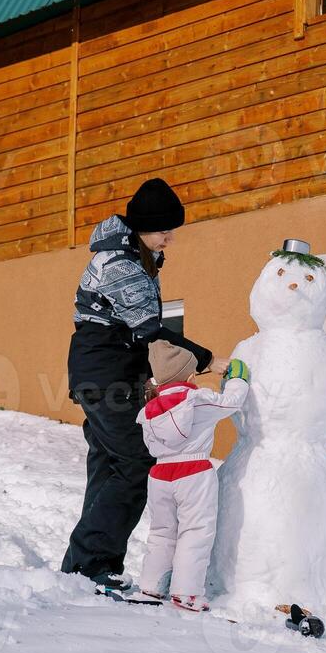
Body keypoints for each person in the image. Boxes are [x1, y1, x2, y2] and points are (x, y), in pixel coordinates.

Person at [61, 178, 227, 589]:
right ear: (141, 226)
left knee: (109, 464)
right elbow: (149, 330)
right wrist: (207, 360)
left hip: (111, 374)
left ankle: (87, 567)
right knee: (137, 463)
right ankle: (89, 564)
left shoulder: (136, 256)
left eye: (172, 230)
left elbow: (140, 335)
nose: (169, 239)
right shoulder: (120, 264)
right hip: (105, 375)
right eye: (163, 230)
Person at [127, 341, 250, 612]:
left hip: (159, 474)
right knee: (195, 532)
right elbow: (231, 403)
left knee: (161, 532)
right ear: (190, 375)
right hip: (193, 472)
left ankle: (151, 586)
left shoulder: (149, 410)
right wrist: (238, 379)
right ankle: (187, 593)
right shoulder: (197, 401)